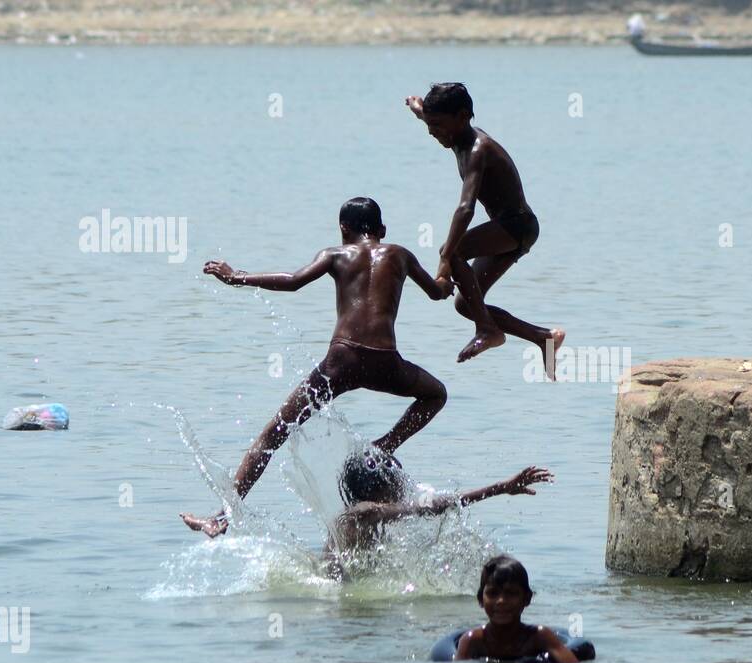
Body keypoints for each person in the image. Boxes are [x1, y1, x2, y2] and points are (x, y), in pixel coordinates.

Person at [180, 197, 451, 538]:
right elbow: (439, 293)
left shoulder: (335, 254)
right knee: (435, 395)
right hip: (386, 361)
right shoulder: (400, 254)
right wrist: (446, 271)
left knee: (272, 434)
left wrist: (239, 277)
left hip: (343, 360)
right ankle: (384, 446)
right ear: (382, 230)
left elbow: (294, 280)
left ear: (343, 229)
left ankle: (221, 517)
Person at [404, 82, 565, 375]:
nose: (432, 132)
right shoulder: (453, 135)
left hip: (517, 224)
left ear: (463, 116)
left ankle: (487, 329)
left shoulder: (479, 149)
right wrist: (418, 108)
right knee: (466, 303)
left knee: (453, 251)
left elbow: (466, 209)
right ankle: (543, 338)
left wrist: (444, 260)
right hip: (510, 228)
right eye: (430, 125)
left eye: (437, 125)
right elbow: (427, 117)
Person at [324, 453, 553, 580]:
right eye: (396, 480)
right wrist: (500, 488)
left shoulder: (358, 516)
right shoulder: (365, 512)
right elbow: (430, 506)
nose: (402, 487)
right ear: (380, 486)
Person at [454, 555, 578, 663]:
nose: (501, 601)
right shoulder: (473, 640)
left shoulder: (539, 637)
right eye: (493, 593)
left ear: (527, 599)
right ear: (480, 599)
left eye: (511, 593)